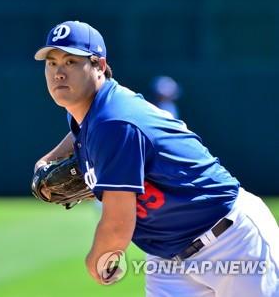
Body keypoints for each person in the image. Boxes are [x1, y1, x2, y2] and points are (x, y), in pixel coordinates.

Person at [33, 20, 278, 296]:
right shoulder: (86, 109)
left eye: (71, 62)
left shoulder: (114, 122)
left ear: (99, 66)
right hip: (167, 258)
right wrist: (49, 158)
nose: (59, 73)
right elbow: (78, 132)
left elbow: (117, 226)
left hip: (231, 242)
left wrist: (97, 258)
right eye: (51, 63)